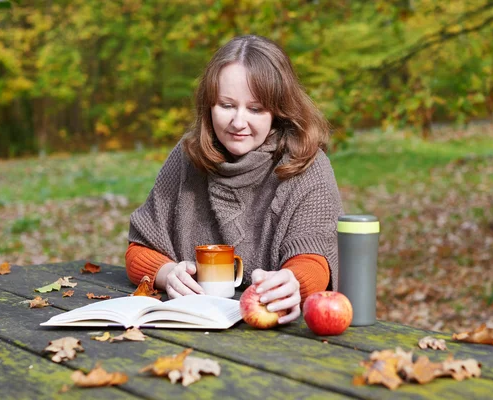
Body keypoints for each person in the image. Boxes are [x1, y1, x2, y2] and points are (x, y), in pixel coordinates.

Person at [126, 35, 343, 324]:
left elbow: (314, 258)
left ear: (278, 110)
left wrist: (294, 283)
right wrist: (166, 274)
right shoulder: (186, 158)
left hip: (276, 340)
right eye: (227, 105)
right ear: (209, 106)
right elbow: (140, 248)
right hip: (183, 329)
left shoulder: (307, 166)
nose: (239, 122)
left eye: (255, 109)